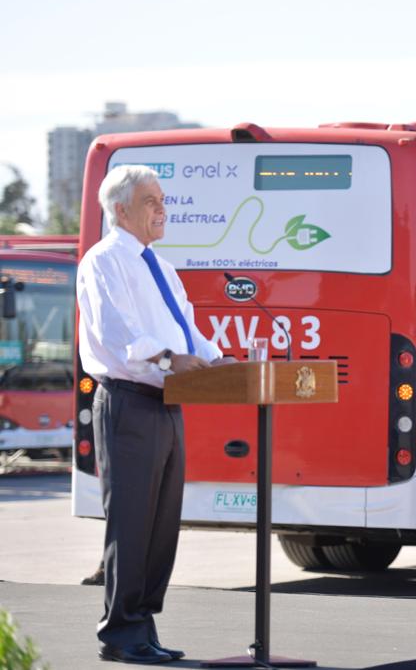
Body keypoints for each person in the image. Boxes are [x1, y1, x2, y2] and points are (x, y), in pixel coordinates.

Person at [78, 164, 233, 664]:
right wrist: (168, 360)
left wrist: (218, 360)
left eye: (163, 199)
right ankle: (120, 632)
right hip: (128, 401)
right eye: (152, 201)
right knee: (131, 522)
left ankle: (143, 625)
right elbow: (117, 333)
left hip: (166, 403)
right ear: (121, 209)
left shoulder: (161, 267)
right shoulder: (104, 260)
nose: (163, 209)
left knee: (161, 524)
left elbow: (188, 331)